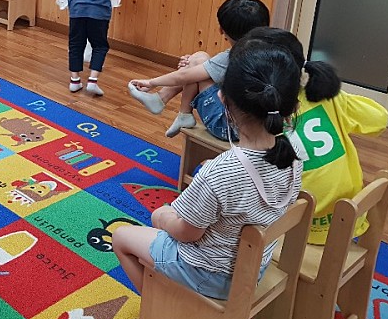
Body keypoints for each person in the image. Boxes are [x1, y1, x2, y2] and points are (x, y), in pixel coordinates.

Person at [112, 43, 303, 301]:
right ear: (293, 106)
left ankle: (160, 309)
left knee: (122, 237)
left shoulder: (220, 171)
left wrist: (162, 217)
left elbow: (187, 233)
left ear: (222, 98)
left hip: (210, 274)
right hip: (254, 267)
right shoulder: (296, 151)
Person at [235, 27, 388, 244]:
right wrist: (336, 94)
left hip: (296, 234)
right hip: (349, 221)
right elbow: (379, 119)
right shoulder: (328, 97)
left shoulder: (260, 117)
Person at [128, 0, 270, 139]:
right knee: (198, 60)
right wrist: (193, 63)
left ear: (221, 30)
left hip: (226, 128)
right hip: (262, 125)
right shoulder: (270, 50)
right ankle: (167, 103)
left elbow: (183, 77)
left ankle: (177, 109)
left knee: (198, 63)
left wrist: (151, 82)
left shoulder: (235, 56)